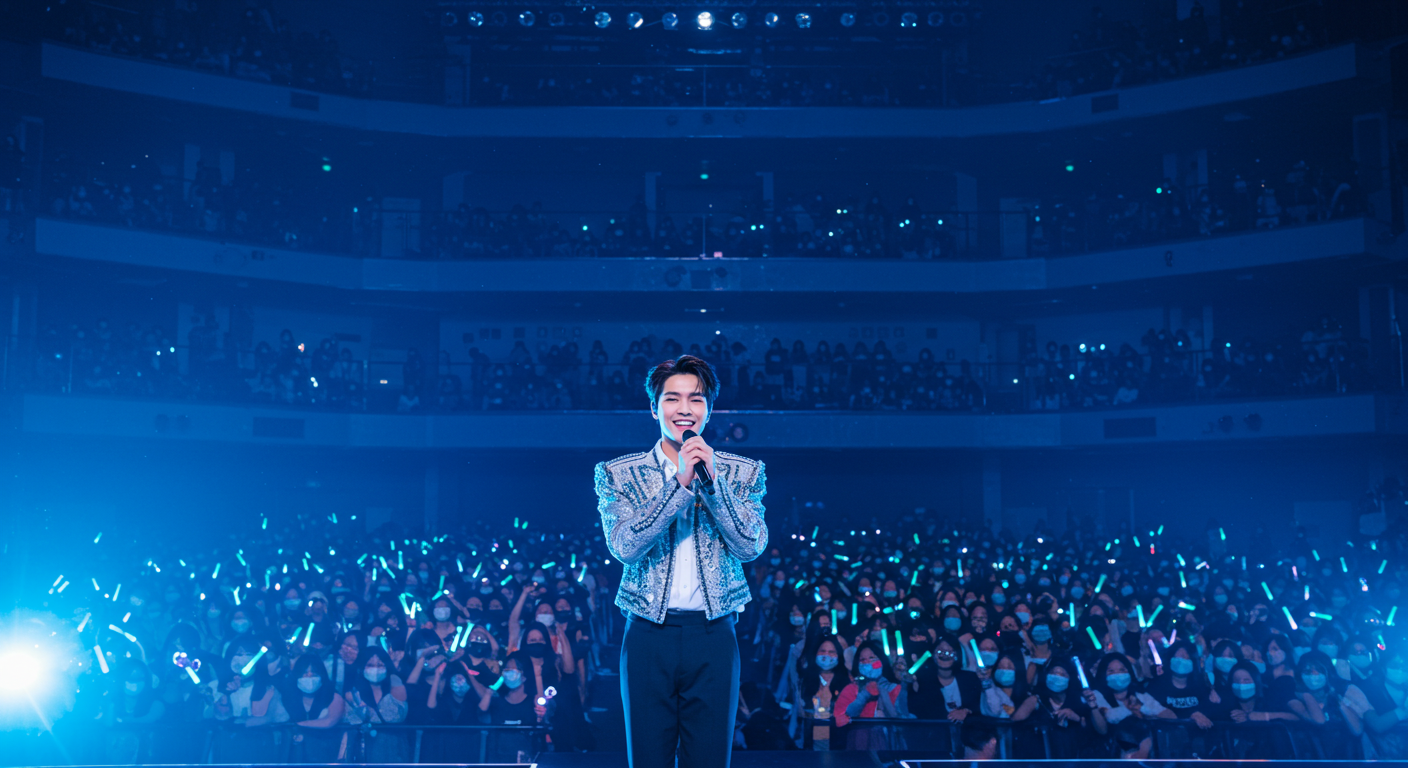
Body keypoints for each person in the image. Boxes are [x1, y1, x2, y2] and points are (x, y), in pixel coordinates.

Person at [596, 354, 768, 768]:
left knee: (710, 759)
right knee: (648, 759)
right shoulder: (618, 474)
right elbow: (624, 546)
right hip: (647, 636)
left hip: (714, 636)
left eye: (696, 399)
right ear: (654, 408)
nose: (684, 409)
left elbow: (751, 544)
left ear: (709, 409)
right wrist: (680, 483)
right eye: (672, 398)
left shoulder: (743, 473)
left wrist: (713, 482)